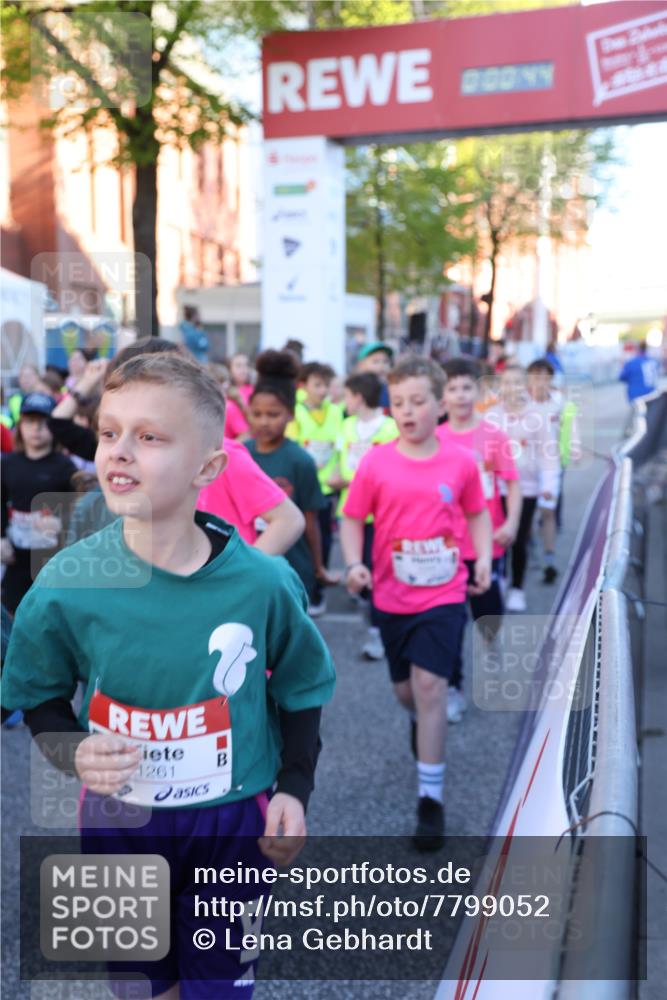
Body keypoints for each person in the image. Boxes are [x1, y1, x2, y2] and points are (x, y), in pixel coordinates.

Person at [1, 352, 335, 997]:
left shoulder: (264, 584)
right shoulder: (68, 584)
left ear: (208, 468)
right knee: (143, 989)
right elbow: (38, 696)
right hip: (120, 821)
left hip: (233, 819)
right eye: (109, 432)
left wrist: (294, 787)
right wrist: (74, 750)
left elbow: (301, 688)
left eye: (149, 437)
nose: (120, 451)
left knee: (218, 990)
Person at [341, 357, 492, 849]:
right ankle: (418, 724)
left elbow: (476, 513)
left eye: (418, 401)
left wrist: (483, 558)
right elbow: (351, 518)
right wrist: (352, 564)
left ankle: (430, 800)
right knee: (406, 693)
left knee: (431, 686)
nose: (407, 411)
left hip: (446, 593)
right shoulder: (377, 461)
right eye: (399, 403)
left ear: (440, 401)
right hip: (390, 594)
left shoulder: (460, 461)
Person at [440, 358, 521, 721]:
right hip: (446, 545)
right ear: (441, 395)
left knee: (487, 610)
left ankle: (491, 640)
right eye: (452, 388)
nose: (460, 395)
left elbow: (513, 483)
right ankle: (453, 687)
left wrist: (513, 522)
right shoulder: (435, 438)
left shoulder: (493, 435)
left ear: (479, 391)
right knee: (451, 620)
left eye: (466, 387)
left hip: (487, 539)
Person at [245, 350, 337, 614]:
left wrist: (318, 566)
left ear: (290, 414)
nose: (264, 421)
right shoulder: (239, 456)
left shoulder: (300, 461)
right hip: (248, 565)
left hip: (292, 567)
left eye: (273, 414)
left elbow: (311, 522)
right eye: (257, 413)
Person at [328, 372, 398, 659]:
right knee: (360, 567)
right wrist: (335, 478)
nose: (344, 402)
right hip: (352, 510)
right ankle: (375, 625)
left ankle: (380, 632)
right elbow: (337, 464)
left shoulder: (390, 427)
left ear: (358, 397)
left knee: (380, 570)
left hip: (383, 513)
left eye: (346, 396)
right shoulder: (346, 426)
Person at [487, 364, 561, 611]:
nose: (512, 388)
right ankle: (501, 579)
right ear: (500, 386)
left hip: (527, 487)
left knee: (518, 538)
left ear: (525, 386)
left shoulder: (537, 416)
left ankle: (517, 588)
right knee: (497, 537)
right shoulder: (491, 417)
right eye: (507, 382)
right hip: (497, 488)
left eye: (517, 383)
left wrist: (549, 486)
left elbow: (547, 453)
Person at [1, 392, 77, 615]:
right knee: (12, 617)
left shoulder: (65, 466)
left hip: (51, 559)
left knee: (48, 615)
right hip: (15, 558)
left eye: (43, 422)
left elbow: (80, 510)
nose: (36, 428)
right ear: (21, 425)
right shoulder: (8, 463)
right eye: (30, 421)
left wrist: (61, 522)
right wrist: (1, 537)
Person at [287, 362, 344, 613]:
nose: (322, 391)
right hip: (301, 487)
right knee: (299, 539)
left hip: (326, 488)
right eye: (317, 385)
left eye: (326, 385)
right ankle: (301, 587)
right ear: (304, 386)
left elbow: (343, 444)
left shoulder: (335, 411)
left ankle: (318, 591)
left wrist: (338, 469)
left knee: (324, 538)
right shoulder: (294, 411)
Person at [526, 359, 564, 584]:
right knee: (528, 511)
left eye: (544, 376)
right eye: (534, 376)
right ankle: (530, 549)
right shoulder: (519, 402)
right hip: (526, 465)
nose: (539, 381)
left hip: (550, 465)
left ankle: (549, 559)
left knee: (547, 511)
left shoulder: (559, 401)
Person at [356, 341, 394, 410]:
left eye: (386, 361)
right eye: (375, 361)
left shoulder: (392, 389)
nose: (382, 365)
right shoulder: (355, 391)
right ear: (361, 365)